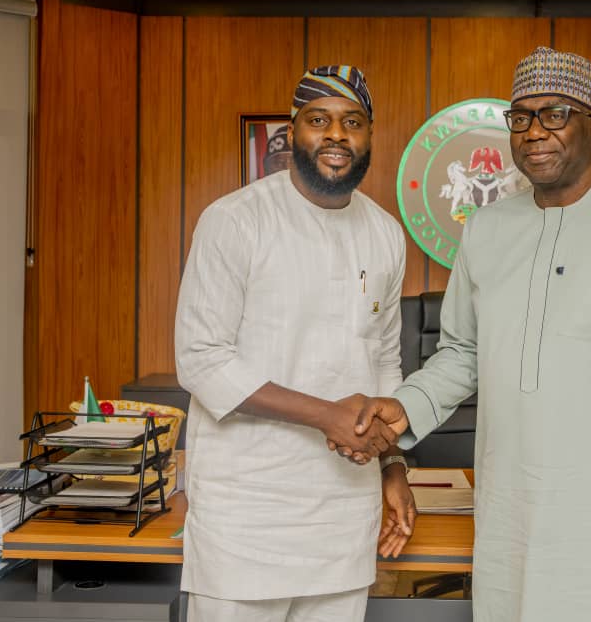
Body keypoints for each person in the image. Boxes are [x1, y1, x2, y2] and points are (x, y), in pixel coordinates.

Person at [335, 47, 591, 621]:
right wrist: (404, 408)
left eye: (555, 114)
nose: (534, 132)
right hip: (513, 509)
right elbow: (461, 353)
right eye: (520, 118)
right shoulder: (488, 229)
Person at [175, 65, 415, 622]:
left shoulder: (385, 233)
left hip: (342, 513)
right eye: (319, 120)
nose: (336, 135)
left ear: (370, 134)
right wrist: (326, 414)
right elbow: (201, 360)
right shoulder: (235, 221)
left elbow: (383, 359)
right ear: (293, 130)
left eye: (352, 122)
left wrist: (393, 468)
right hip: (247, 513)